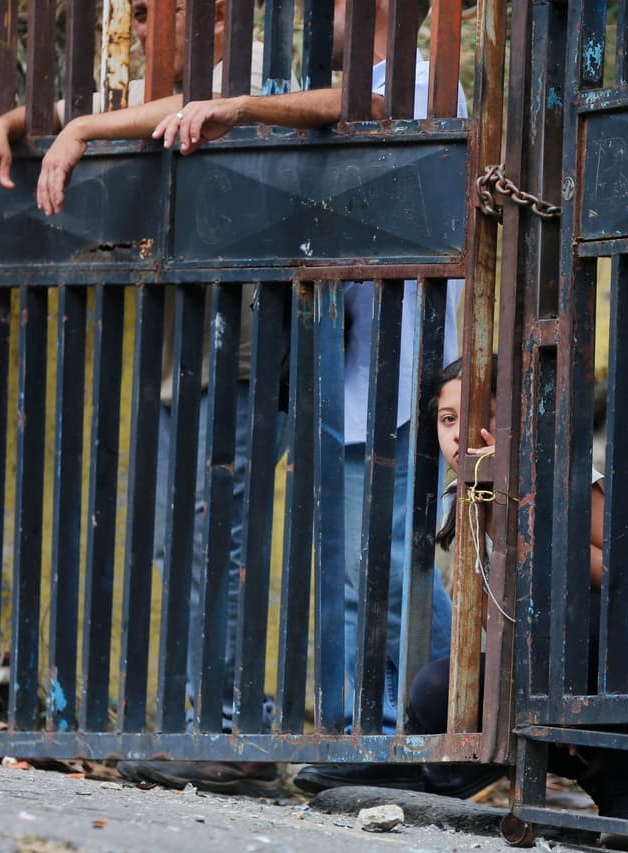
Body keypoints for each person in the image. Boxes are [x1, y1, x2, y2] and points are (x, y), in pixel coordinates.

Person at [0, 0, 290, 797]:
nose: (141, 26)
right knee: (180, 538)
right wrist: (3, 123)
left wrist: (81, 132)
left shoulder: (235, 74)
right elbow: (89, 109)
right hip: (181, 354)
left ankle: (233, 729)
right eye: (133, 13)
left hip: (244, 343)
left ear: (209, 16)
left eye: (156, 11)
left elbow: (173, 110)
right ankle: (187, 716)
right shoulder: (141, 94)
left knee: (225, 541)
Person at [153, 0, 466, 747]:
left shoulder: (425, 85)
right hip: (342, 376)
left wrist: (243, 105)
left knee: (391, 568)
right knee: (356, 575)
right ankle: (371, 730)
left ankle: (444, 719)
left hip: (399, 374)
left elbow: (367, 111)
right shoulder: (316, 89)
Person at [401, 359, 628, 850]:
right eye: (446, 419)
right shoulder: (466, 497)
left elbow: (617, 579)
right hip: (549, 671)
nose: (457, 434)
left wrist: (525, 516)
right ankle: (601, 781)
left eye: (475, 416)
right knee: (436, 688)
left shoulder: (567, 475)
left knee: (582, 625)